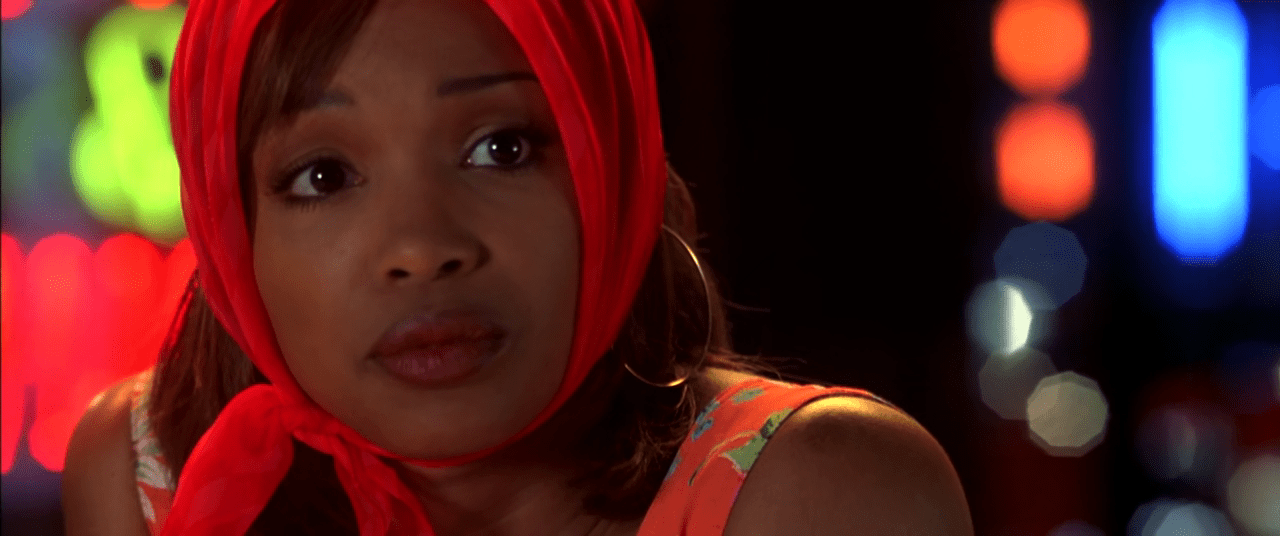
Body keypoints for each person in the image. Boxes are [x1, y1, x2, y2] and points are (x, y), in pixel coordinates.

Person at [60, 0, 975, 534]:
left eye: (501, 147)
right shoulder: (146, 474)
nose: (422, 248)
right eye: (324, 175)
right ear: (233, 230)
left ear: (614, 171)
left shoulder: (825, 490)